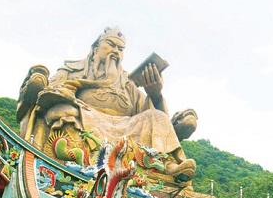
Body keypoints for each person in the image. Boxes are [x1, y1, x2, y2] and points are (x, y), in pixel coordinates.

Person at [17, 26, 197, 181]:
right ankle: (69, 158)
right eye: (111, 45)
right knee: (62, 110)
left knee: (156, 116)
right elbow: (47, 94)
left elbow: (158, 119)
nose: (116, 51)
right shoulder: (74, 70)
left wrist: (155, 94)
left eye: (120, 49)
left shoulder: (128, 83)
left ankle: (168, 165)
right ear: (96, 48)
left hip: (126, 128)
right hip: (86, 117)